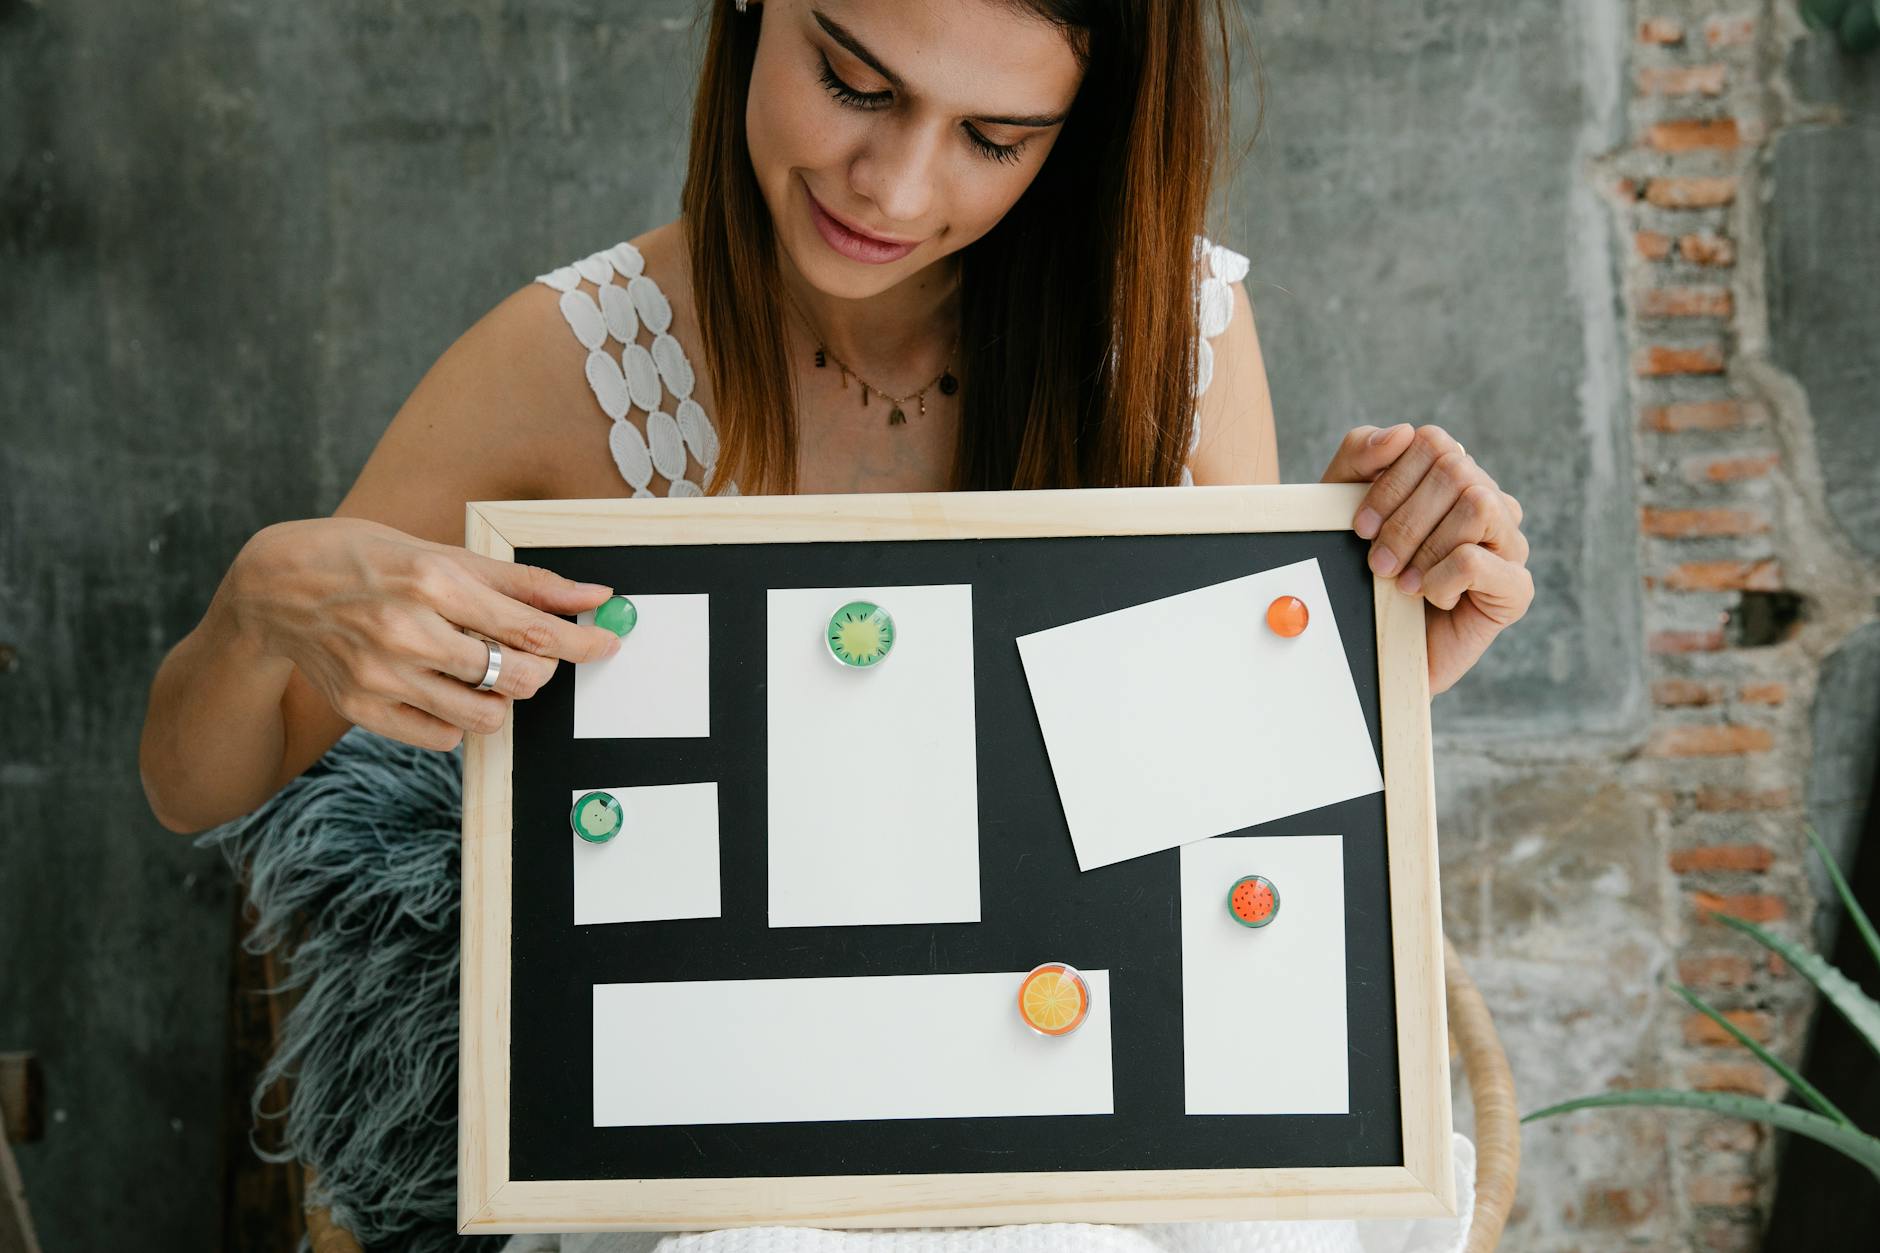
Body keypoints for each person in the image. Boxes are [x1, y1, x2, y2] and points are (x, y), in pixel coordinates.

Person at [139, 1, 1531, 1249]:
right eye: (855, 82)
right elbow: (193, 777)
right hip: (714, 1165)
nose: (898, 184)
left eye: (996, 135)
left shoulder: (1176, 337)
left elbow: (1199, 831)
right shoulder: (568, 363)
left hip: (1091, 1143)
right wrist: (271, 597)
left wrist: (1375, 677)